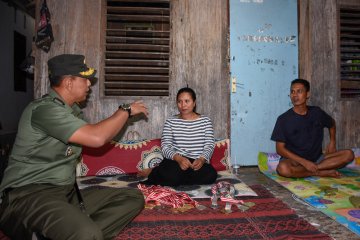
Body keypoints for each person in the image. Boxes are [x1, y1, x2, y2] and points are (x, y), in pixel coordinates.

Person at [0, 54, 149, 240]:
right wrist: (125, 110)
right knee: (87, 233)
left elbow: (97, 132)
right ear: (69, 82)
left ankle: (65, 233)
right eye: (85, 79)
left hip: (65, 194)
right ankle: (79, 232)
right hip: (28, 196)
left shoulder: (72, 113)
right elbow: (97, 137)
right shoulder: (45, 110)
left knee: (132, 198)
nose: (89, 84)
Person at [271, 78, 354, 178]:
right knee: (282, 168)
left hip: (317, 158)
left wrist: (332, 142)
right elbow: (280, 149)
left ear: (307, 94)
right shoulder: (283, 119)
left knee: (349, 155)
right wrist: (304, 162)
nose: (295, 95)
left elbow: (332, 123)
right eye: (292, 92)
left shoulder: (317, 113)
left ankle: (314, 169)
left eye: (299, 91)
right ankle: (318, 172)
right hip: (295, 161)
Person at [139, 87, 217, 186]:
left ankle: (162, 174)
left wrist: (202, 159)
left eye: (187, 101)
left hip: (196, 163)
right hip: (176, 162)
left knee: (211, 175)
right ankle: (163, 174)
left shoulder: (205, 121)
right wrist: (178, 159)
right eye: (179, 101)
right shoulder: (171, 121)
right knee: (172, 174)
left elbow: (209, 144)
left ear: (194, 103)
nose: (183, 105)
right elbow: (165, 146)